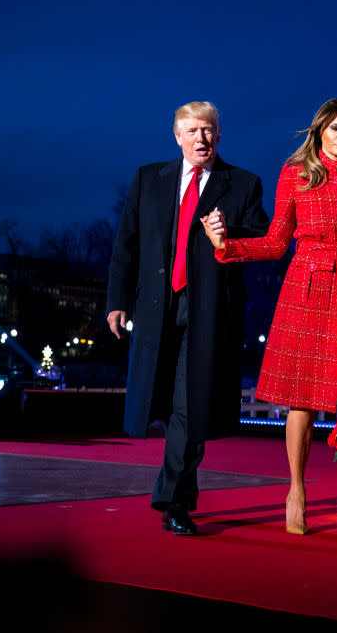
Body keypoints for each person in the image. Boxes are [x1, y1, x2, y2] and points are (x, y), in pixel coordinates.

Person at [201, 99, 337, 543]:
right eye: (336, 129)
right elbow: (274, 243)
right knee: (301, 401)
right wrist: (226, 244)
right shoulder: (296, 174)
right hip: (307, 291)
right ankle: (296, 494)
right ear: (319, 131)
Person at [106, 101, 268, 536]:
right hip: (157, 308)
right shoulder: (148, 179)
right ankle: (179, 492)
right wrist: (116, 301)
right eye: (193, 130)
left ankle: (172, 500)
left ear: (220, 135)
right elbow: (127, 244)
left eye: (209, 130)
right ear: (177, 136)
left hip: (209, 309)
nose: (202, 138)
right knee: (162, 404)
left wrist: (227, 233)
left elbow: (264, 239)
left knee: (189, 404)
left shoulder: (244, 184)